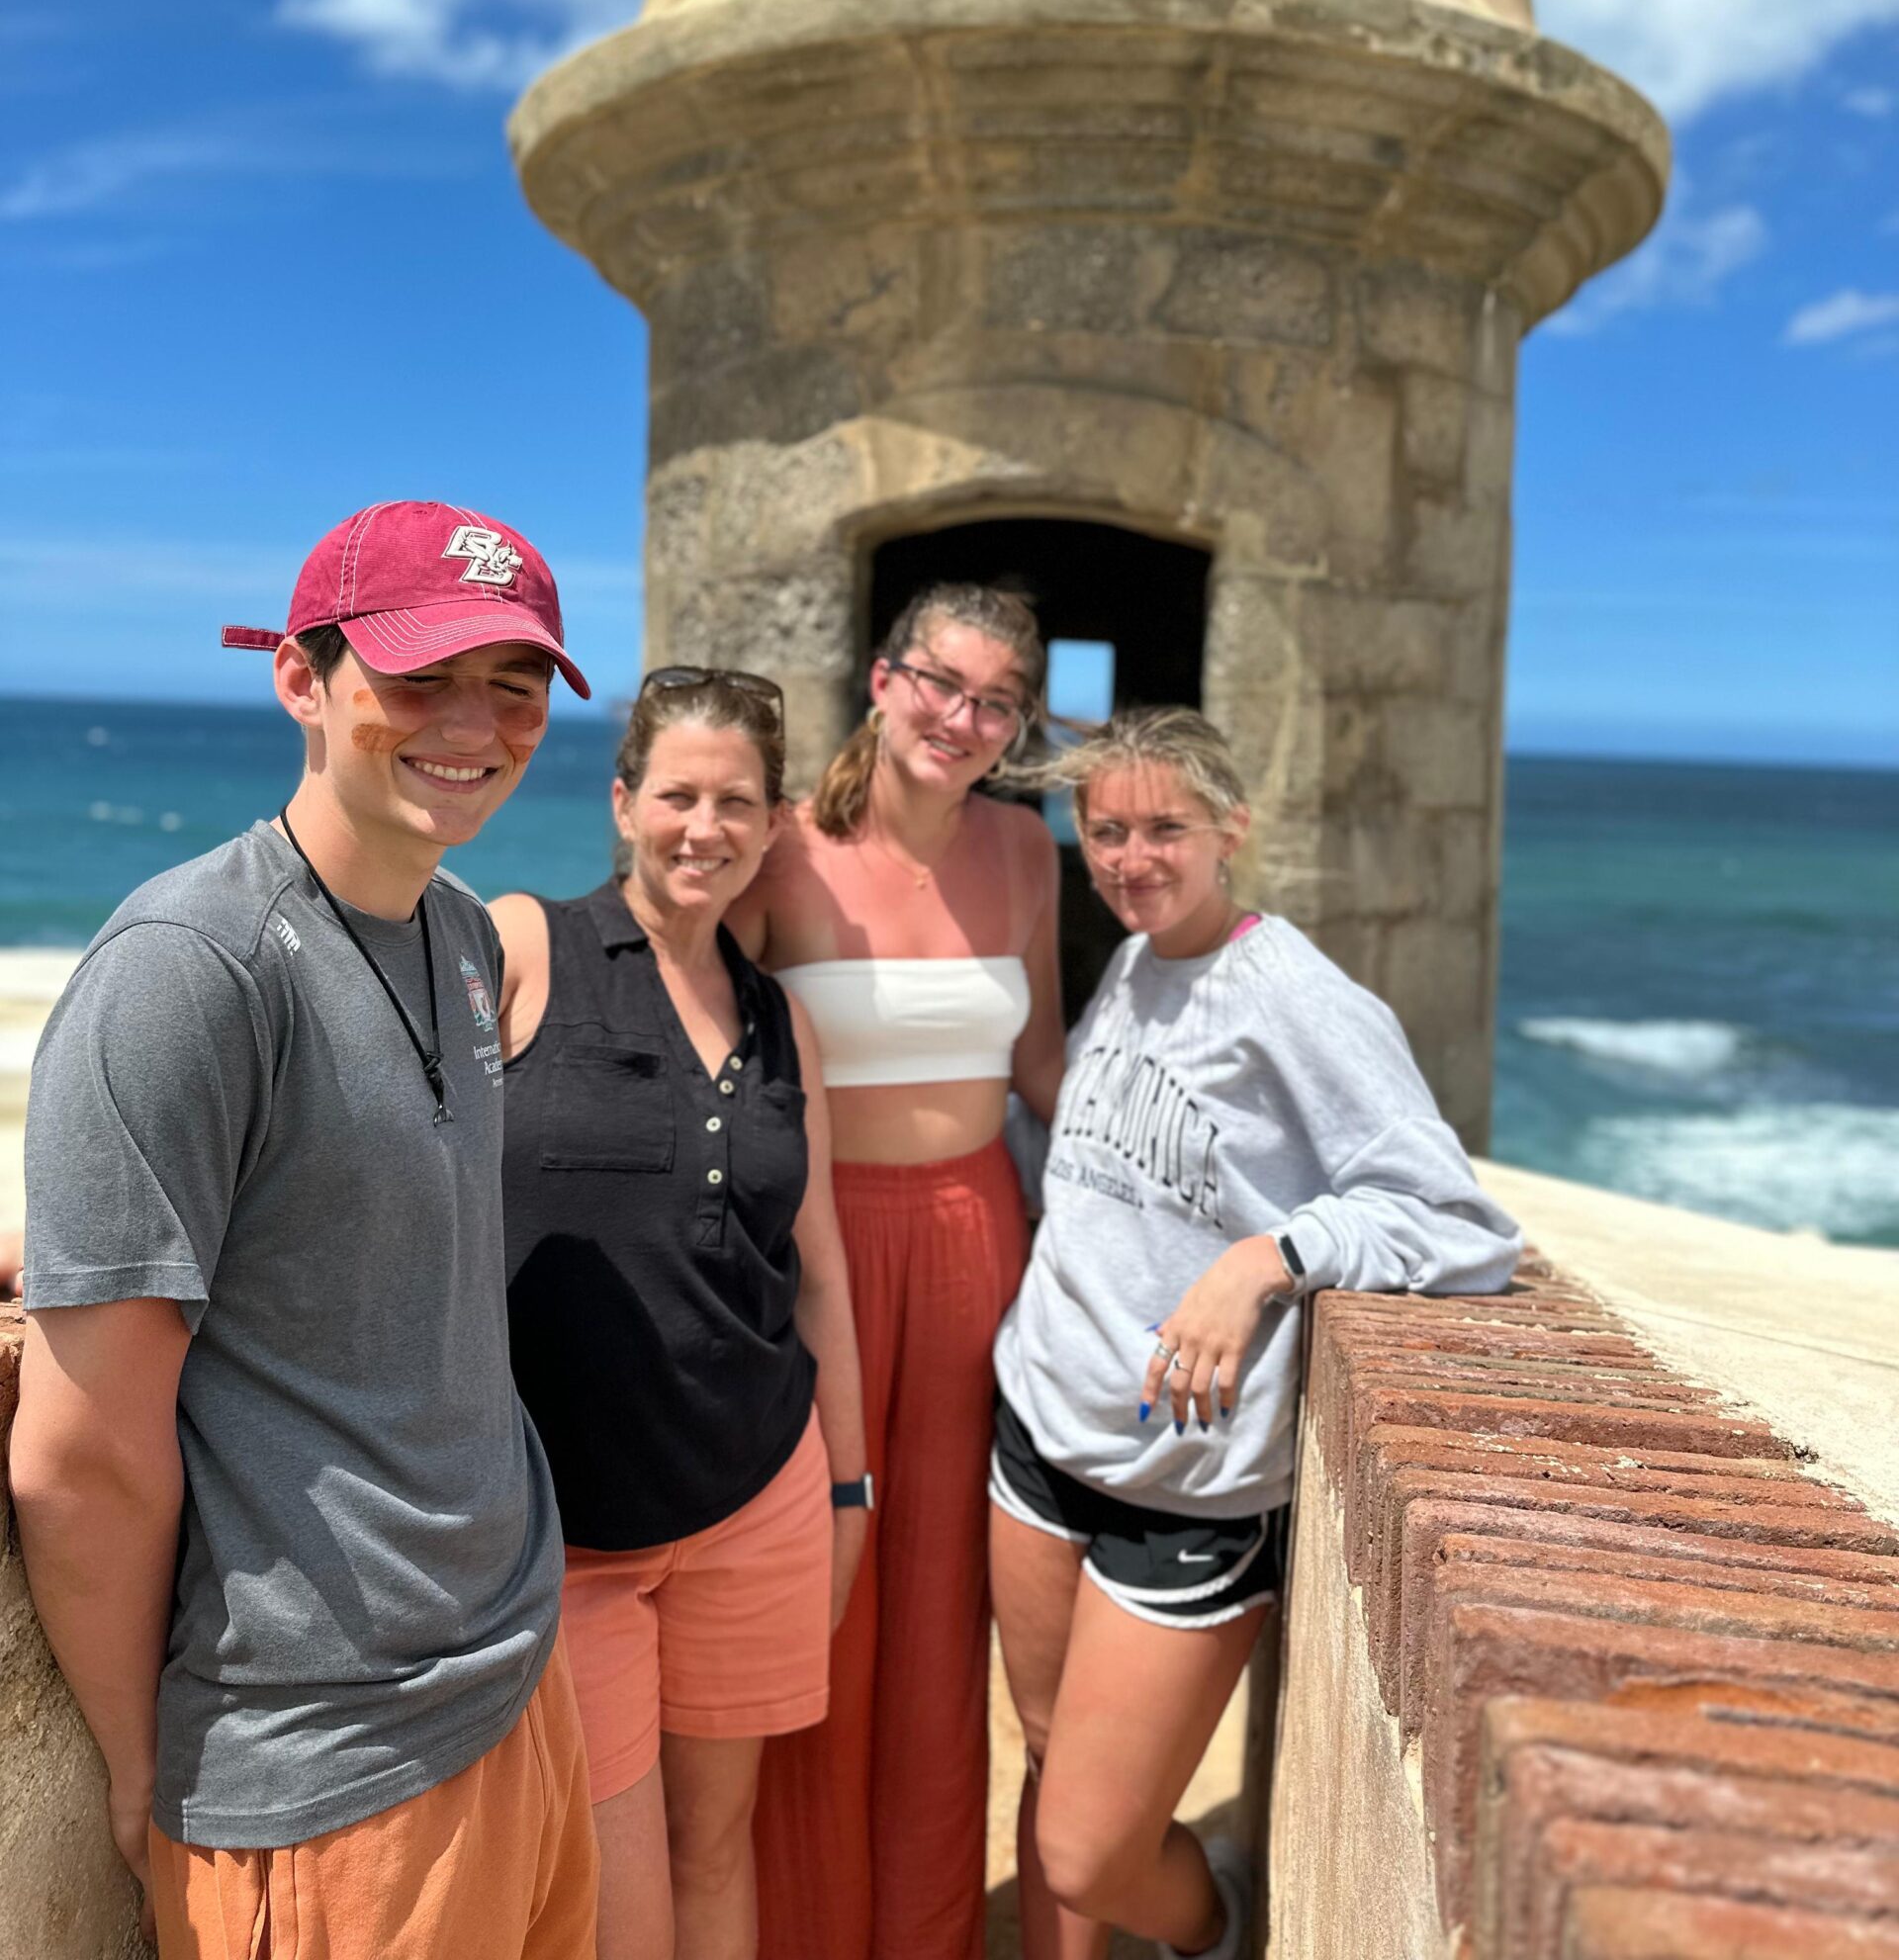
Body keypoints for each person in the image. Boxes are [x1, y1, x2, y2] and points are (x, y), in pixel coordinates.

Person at [11, 500, 600, 1960]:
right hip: (325, 1767)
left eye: (513, 686)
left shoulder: (460, 931)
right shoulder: (186, 968)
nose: (474, 724)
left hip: (514, 1679)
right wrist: (142, 1773)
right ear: (303, 679)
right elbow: (82, 1451)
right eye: (419, 677)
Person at [991, 706, 1521, 1960]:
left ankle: (1215, 1930)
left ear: (1234, 827)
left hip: (1189, 1482)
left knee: (1089, 1845)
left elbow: (1460, 1223)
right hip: (1037, 1428)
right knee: (1049, 1752)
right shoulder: (1132, 960)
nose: (1130, 857)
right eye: (1106, 829)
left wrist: (1271, 1255)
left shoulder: (1293, 996)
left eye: (1164, 827)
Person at [492, 667, 867, 1960]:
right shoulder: (524, 946)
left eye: (737, 802)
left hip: (758, 1495)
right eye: (678, 796)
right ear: (622, 802)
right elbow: (354, 1117)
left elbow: (816, 1272)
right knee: (614, 1904)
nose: (704, 827)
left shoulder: (784, 1025)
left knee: (717, 1858)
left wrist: (849, 1495)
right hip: (570, 1525)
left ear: (773, 825)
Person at [739, 583, 1067, 1960]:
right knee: (820, 1598)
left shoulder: (1025, 848)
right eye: (942, 682)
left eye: (997, 701)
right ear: (882, 679)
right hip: (818, 1253)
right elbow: (701, 1033)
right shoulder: (782, 847)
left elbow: (1048, 1069)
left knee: (943, 1613)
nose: (963, 718)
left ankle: (923, 1935)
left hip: (983, 1240)